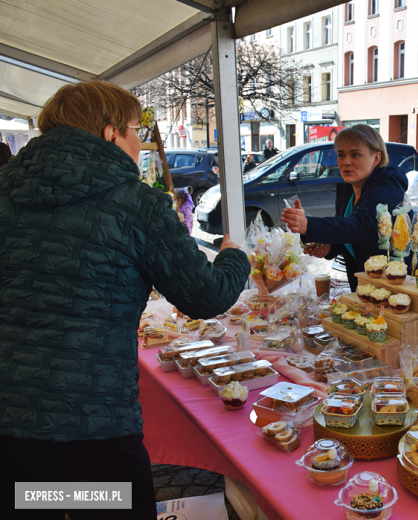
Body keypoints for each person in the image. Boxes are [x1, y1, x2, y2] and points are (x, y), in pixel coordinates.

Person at [0, 80, 250, 519]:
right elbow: (206, 294)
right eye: (137, 130)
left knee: (31, 505)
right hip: (94, 421)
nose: (141, 143)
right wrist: (233, 257)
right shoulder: (137, 203)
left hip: (11, 424)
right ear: (110, 132)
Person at [280, 124, 408, 292]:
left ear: (376, 159)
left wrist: (308, 225)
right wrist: (331, 246)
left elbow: (360, 225)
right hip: (369, 289)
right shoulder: (348, 189)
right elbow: (350, 233)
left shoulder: (387, 188)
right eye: (341, 155)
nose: (346, 162)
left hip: (403, 290)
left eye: (355, 155)